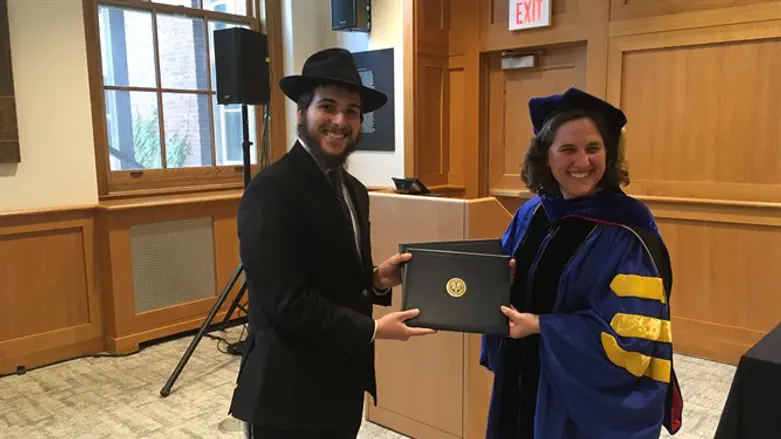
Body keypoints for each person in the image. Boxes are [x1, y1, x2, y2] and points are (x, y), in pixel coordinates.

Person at [228, 48, 436, 439]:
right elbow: (287, 302)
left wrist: (376, 280)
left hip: (341, 382)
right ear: (300, 113)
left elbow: (335, 276)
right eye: (328, 106)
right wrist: (372, 330)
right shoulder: (271, 191)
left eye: (352, 111)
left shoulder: (354, 190)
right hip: (287, 392)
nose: (341, 121)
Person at [480, 88, 684, 439]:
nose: (582, 162)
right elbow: (503, 273)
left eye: (593, 148)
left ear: (609, 153)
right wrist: (502, 280)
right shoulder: (533, 212)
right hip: (521, 370)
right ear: (546, 156)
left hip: (575, 392)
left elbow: (633, 334)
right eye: (568, 149)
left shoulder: (627, 228)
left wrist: (542, 326)